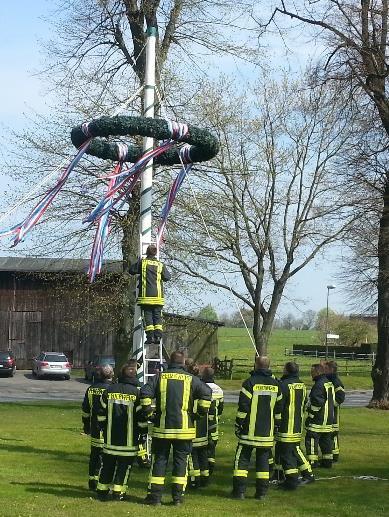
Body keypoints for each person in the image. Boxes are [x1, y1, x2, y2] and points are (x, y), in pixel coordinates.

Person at [140, 350, 212, 506]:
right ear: (183, 362)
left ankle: (155, 498)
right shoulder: (191, 379)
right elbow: (207, 393)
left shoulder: (160, 377)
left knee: (159, 461)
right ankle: (177, 498)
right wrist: (199, 414)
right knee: (181, 463)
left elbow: (145, 393)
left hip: (162, 429)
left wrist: (149, 413)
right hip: (185, 431)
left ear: (170, 362)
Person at [232, 356, 283, 500]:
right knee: (263, 464)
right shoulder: (276, 384)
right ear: (268, 366)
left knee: (242, 461)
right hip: (267, 433)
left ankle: (239, 492)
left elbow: (243, 407)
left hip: (249, 432)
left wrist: (238, 424)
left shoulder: (250, 383)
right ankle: (261, 493)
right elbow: (279, 409)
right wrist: (277, 425)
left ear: (255, 365)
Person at [96, 362, 147, 501]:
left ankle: (102, 491)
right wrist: (143, 433)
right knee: (124, 468)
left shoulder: (109, 391)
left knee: (107, 466)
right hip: (128, 442)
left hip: (110, 439)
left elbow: (100, 413)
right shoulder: (137, 393)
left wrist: (103, 428)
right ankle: (119, 493)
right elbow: (141, 418)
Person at [274, 362, 314, 490]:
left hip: (286, 425)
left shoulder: (284, 385)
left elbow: (279, 405)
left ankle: (295, 479)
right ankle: (280, 474)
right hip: (296, 423)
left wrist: (277, 423)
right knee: (286, 449)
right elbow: (305, 402)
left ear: (286, 370)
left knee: (289, 453)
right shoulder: (301, 385)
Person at [129, 244, 171, 345]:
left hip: (146, 296)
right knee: (157, 317)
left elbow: (131, 271)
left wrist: (138, 261)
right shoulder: (160, 265)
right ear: (155, 253)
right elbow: (167, 277)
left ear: (147, 252)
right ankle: (158, 337)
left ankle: (150, 337)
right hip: (158, 297)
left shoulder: (143, 263)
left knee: (148, 316)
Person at [81, 365, 113, 490]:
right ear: (110, 375)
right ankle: (102, 483)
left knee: (94, 456)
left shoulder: (91, 389)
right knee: (107, 458)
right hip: (109, 430)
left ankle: (92, 481)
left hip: (95, 428)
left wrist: (86, 425)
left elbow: (85, 410)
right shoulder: (112, 389)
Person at [305, 363, 335, 468]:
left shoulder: (318, 385)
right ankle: (327, 462)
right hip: (328, 420)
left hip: (318, 420)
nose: (311, 374)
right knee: (326, 441)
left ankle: (313, 462)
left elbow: (317, 403)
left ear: (317, 372)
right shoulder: (329, 383)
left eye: (312, 372)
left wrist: (310, 417)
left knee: (312, 440)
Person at [201, 366, 224, 475]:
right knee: (212, 447)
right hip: (214, 424)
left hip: (201, 425)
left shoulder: (200, 387)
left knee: (202, 448)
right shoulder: (219, 389)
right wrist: (217, 418)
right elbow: (220, 408)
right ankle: (211, 465)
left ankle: (204, 468)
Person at [325, 360, 345, 462]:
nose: (324, 370)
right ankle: (333, 454)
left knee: (333, 435)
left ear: (331, 369)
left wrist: (331, 405)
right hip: (329, 413)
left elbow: (341, 397)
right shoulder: (330, 380)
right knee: (331, 435)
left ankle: (334, 455)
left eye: (326, 368)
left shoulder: (336, 381)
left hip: (333, 413)